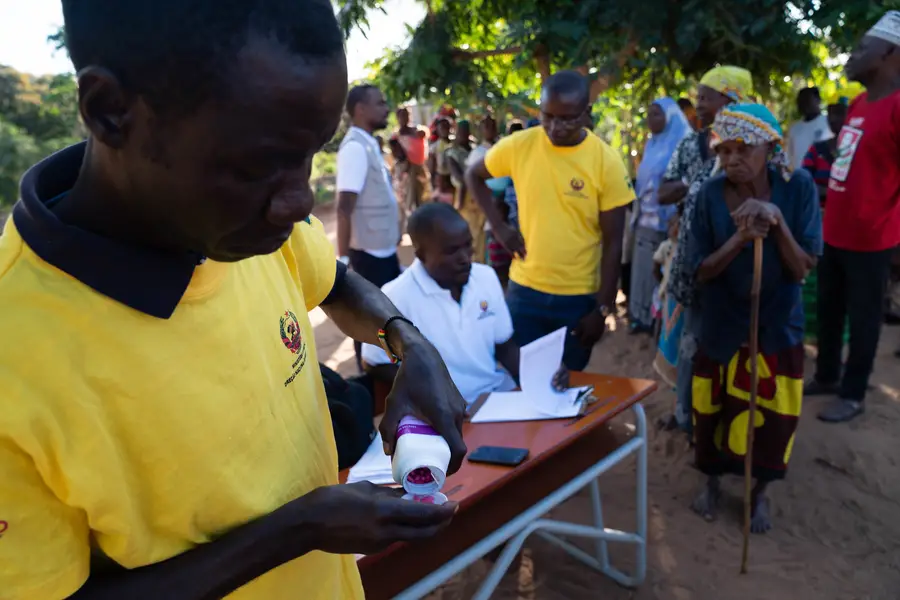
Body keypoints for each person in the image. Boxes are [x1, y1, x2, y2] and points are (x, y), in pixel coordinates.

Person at [0, 2, 468, 598]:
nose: (299, 202)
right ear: (110, 111)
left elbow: (335, 283)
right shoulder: (13, 358)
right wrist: (299, 528)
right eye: (257, 165)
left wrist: (406, 341)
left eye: (311, 155)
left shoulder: (239, 223)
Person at [688, 104, 821, 533]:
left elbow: (802, 268)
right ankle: (711, 481)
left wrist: (776, 223)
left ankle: (758, 492)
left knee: (772, 415)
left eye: (743, 149)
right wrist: (741, 238)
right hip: (722, 324)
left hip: (777, 325)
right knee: (712, 410)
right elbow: (701, 270)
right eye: (723, 151)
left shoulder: (796, 188)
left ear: (771, 148)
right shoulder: (709, 196)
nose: (731, 160)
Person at [465, 70, 633, 371]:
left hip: (578, 297)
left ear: (586, 114)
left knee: (566, 386)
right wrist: (500, 228)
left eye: (567, 119)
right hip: (525, 292)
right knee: (521, 379)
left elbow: (614, 243)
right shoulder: (521, 145)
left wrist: (602, 309)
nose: (555, 127)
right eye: (548, 117)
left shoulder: (606, 161)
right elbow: (473, 175)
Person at [362, 203, 568, 403]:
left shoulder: (485, 277)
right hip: (442, 412)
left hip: (495, 396)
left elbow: (505, 347)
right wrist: (430, 390)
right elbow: (374, 362)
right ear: (421, 254)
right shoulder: (394, 298)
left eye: (468, 245)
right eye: (452, 251)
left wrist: (541, 374)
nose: (465, 258)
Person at [806, 11, 900, 422]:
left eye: (863, 48)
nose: (853, 55)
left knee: (863, 319)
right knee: (829, 309)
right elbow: (843, 167)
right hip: (835, 233)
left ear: (889, 53)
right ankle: (827, 374)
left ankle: (854, 392)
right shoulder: (860, 103)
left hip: (873, 239)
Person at [656, 65, 754, 432]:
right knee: (687, 341)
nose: (699, 104)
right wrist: (696, 186)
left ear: (731, 100)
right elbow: (665, 190)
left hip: (733, 267)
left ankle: (720, 421)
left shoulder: (753, 150)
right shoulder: (693, 144)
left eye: (706, 97)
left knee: (726, 347)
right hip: (693, 263)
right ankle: (685, 414)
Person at [336, 84, 403, 371]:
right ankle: (370, 378)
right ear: (361, 109)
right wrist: (345, 260)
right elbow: (343, 208)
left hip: (383, 251)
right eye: (381, 102)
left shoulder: (369, 144)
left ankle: (387, 377)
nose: (386, 107)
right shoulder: (354, 148)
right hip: (368, 256)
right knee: (370, 324)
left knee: (386, 320)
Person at [629, 97, 691, 333]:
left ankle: (661, 323)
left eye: (656, 114)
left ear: (671, 117)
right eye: (649, 113)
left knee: (665, 272)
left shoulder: (684, 143)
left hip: (670, 223)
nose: (650, 119)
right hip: (646, 220)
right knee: (645, 271)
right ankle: (642, 316)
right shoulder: (651, 144)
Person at [800, 99, 849, 344]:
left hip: (846, 227)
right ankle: (812, 335)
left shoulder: (855, 153)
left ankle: (836, 340)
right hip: (818, 223)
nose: (835, 120)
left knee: (841, 285)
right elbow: (803, 185)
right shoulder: (817, 149)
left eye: (841, 114)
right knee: (815, 281)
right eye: (831, 115)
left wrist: (826, 192)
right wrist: (838, 192)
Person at [460, 116, 499, 264]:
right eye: (486, 126)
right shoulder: (477, 153)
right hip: (485, 200)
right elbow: (470, 179)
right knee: (483, 236)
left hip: (504, 201)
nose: (490, 129)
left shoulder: (503, 147)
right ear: (481, 130)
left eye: (492, 125)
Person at [653, 209, 684, 391]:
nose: (675, 229)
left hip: (678, 301)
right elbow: (655, 266)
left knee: (674, 337)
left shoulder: (685, 248)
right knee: (666, 331)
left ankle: (675, 377)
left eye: (678, 225)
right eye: (672, 225)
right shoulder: (668, 247)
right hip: (668, 297)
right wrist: (661, 286)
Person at [787, 87, 833, 172]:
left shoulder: (829, 122)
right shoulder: (794, 128)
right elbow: (789, 156)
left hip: (822, 178)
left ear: (818, 100)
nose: (804, 104)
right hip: (800, 178)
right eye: (800, 102)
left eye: (807, 100)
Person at [394, 107, 429, 211]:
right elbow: (397, 154)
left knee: (421, 196)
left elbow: (425, 134)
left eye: (407, 115)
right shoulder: (396, 136)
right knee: (406, 200)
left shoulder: (418, 131)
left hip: (419, 168)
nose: (405, 118)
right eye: (402, 116)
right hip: (405, 170)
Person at [429, 117, 454, 197]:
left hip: (454, 176)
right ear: (437, 129)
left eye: (447, 127)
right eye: (442, 127)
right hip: (442, 179)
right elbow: (432, 167)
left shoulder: (454, 144)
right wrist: (433, 182)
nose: (445, 129)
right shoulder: (434, 147)